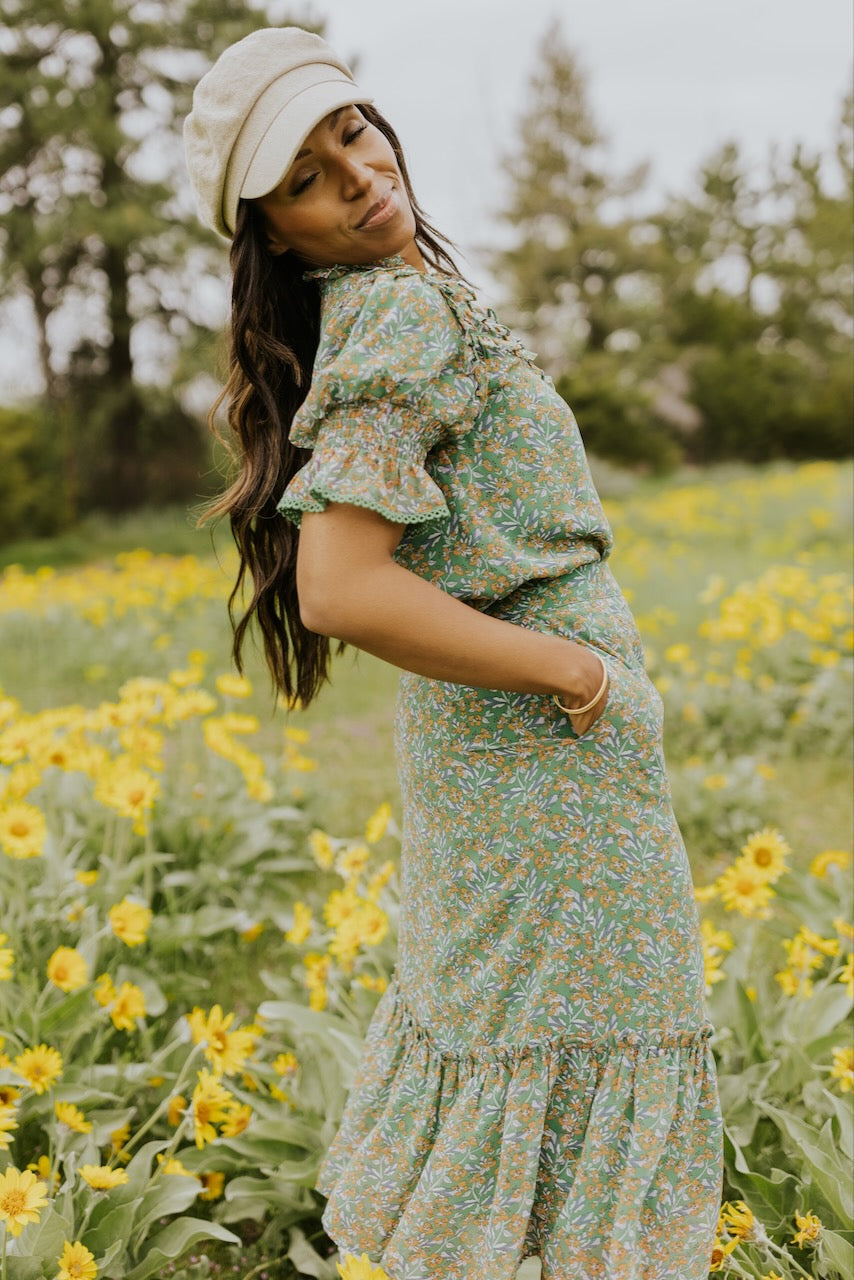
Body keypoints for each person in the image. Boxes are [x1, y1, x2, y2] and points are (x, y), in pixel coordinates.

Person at [183, 26, 725, 1280]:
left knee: (516, 1051)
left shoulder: (391, 308)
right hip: (542, 759)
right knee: (582, 1049)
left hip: (509, 761)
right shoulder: (399, 316)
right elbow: (340, 587)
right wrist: (576, 673)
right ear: (274, 232)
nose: (357, 177)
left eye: (351, 135)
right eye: (309, 179)